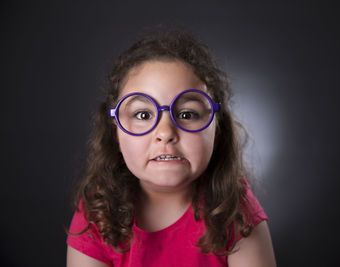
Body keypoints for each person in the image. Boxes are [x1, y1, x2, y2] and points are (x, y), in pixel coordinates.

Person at [66, 29, 276, 267]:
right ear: (115, 130)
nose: (165, 132)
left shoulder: (234, 210)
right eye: (143, 114)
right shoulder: (97, 214)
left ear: (217, 127)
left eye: (187, 114)